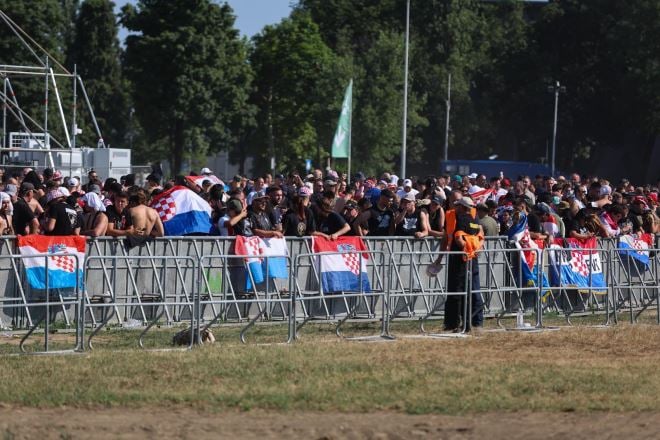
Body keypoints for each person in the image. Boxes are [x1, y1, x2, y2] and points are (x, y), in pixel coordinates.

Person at [443, 197, 484, 332]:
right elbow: (481, 237)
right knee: (473, 290)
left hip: (460, 258)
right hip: (473, 258)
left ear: (462, 207)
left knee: (457, 290)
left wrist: (466, 250)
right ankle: (474, 323)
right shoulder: (475, 219)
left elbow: (458, 237)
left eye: (458, 205)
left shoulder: (460, 218)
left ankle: (454, 323)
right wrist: (475, 251)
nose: (456, 208)